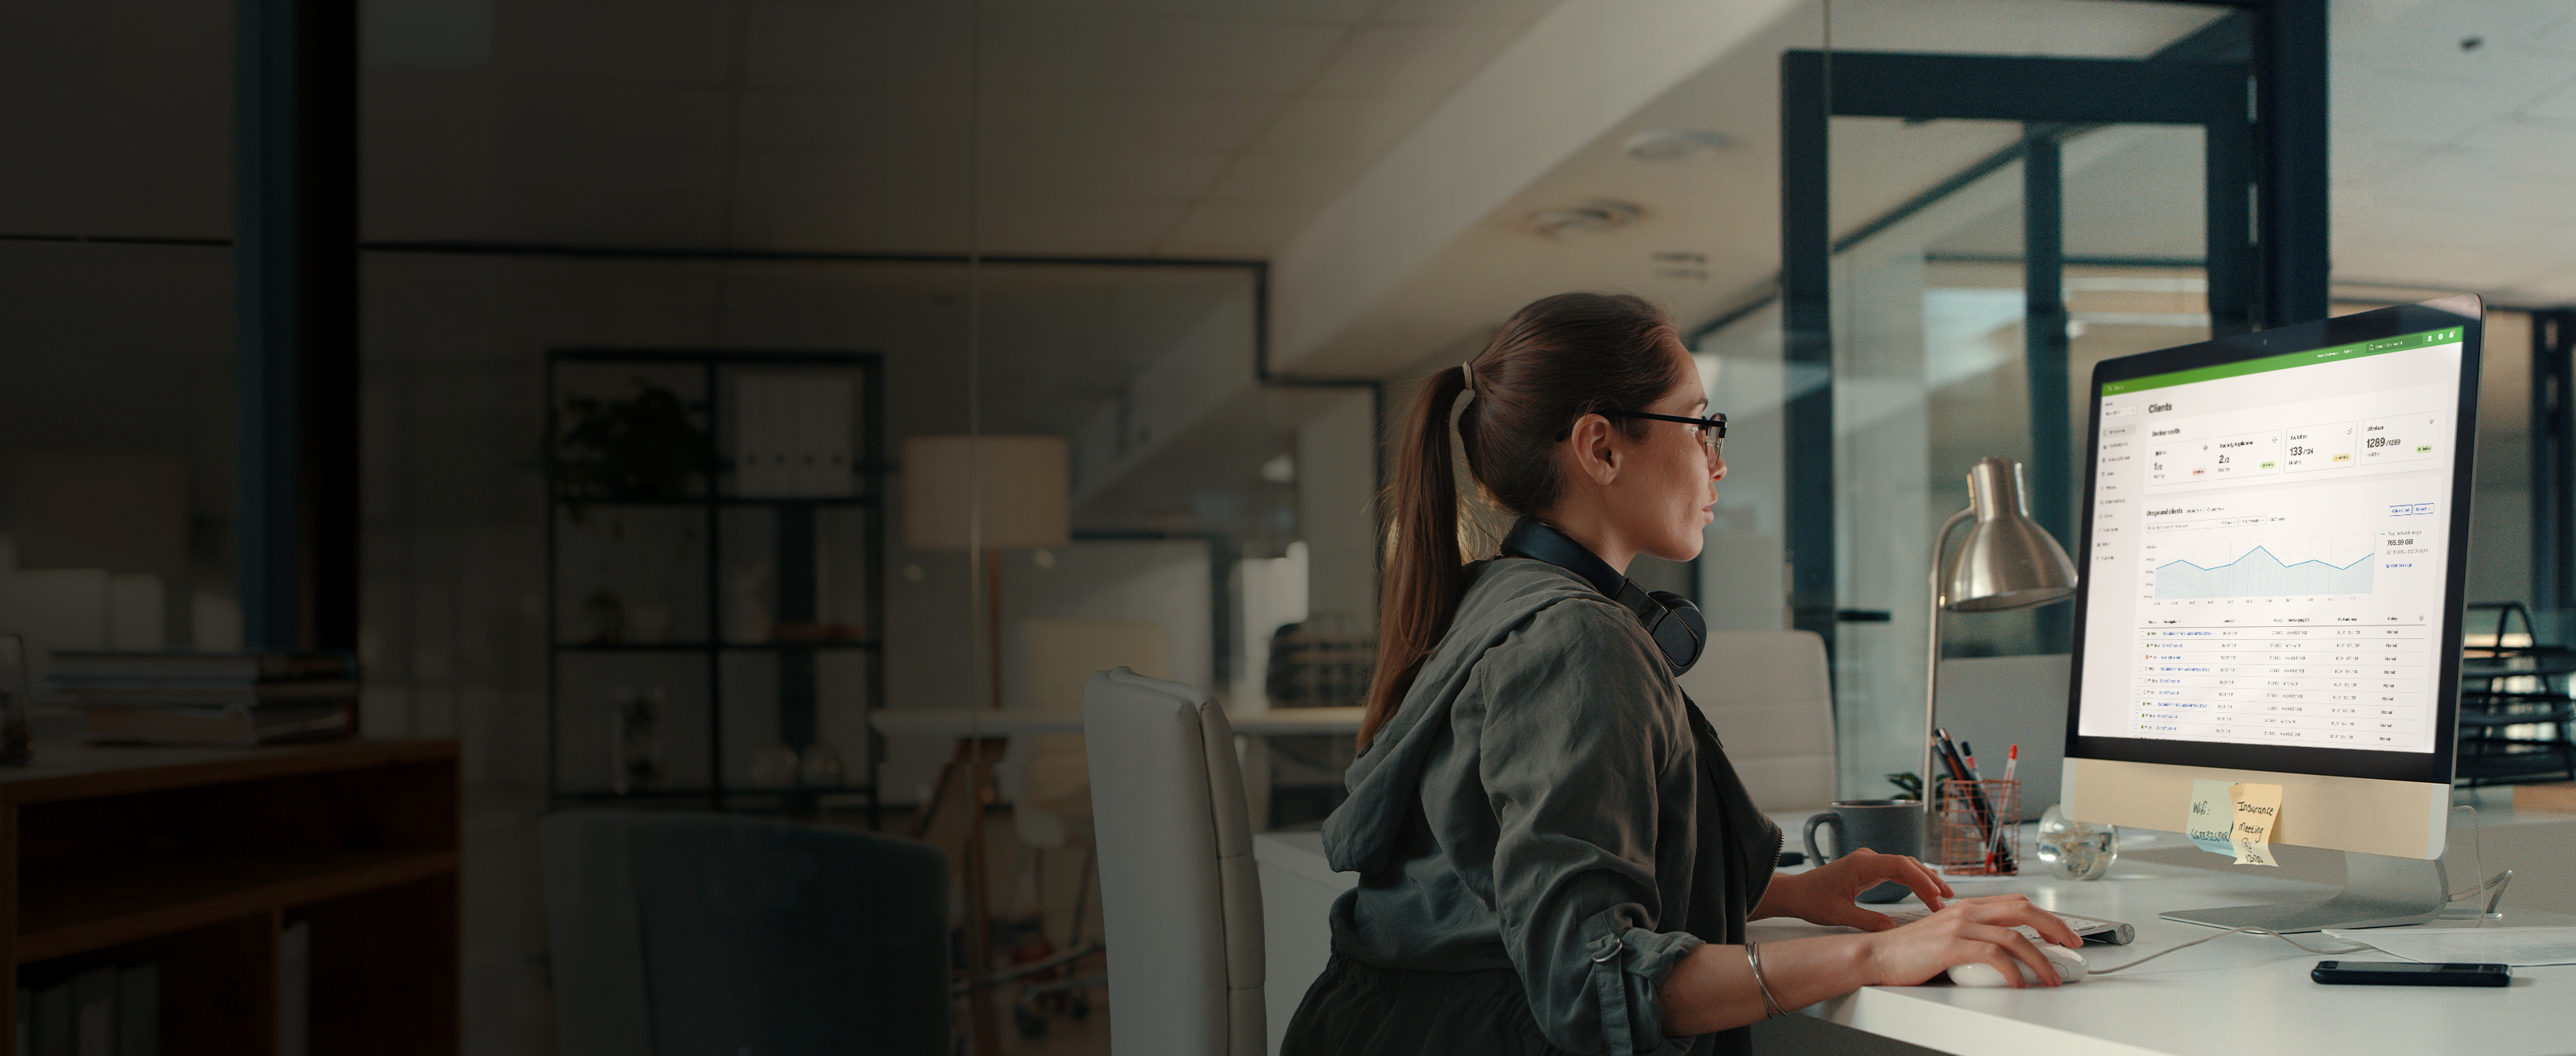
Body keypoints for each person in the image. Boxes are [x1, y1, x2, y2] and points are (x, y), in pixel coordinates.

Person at [1278, 292, 2083, 1055]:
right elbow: (1590, 980)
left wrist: (1789, 894)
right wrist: (1876, 956)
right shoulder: (1573, 641)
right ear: (1600, 446)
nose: (1716, 463)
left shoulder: (1499, 599)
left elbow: (1504, 885)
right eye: (1701, 425)